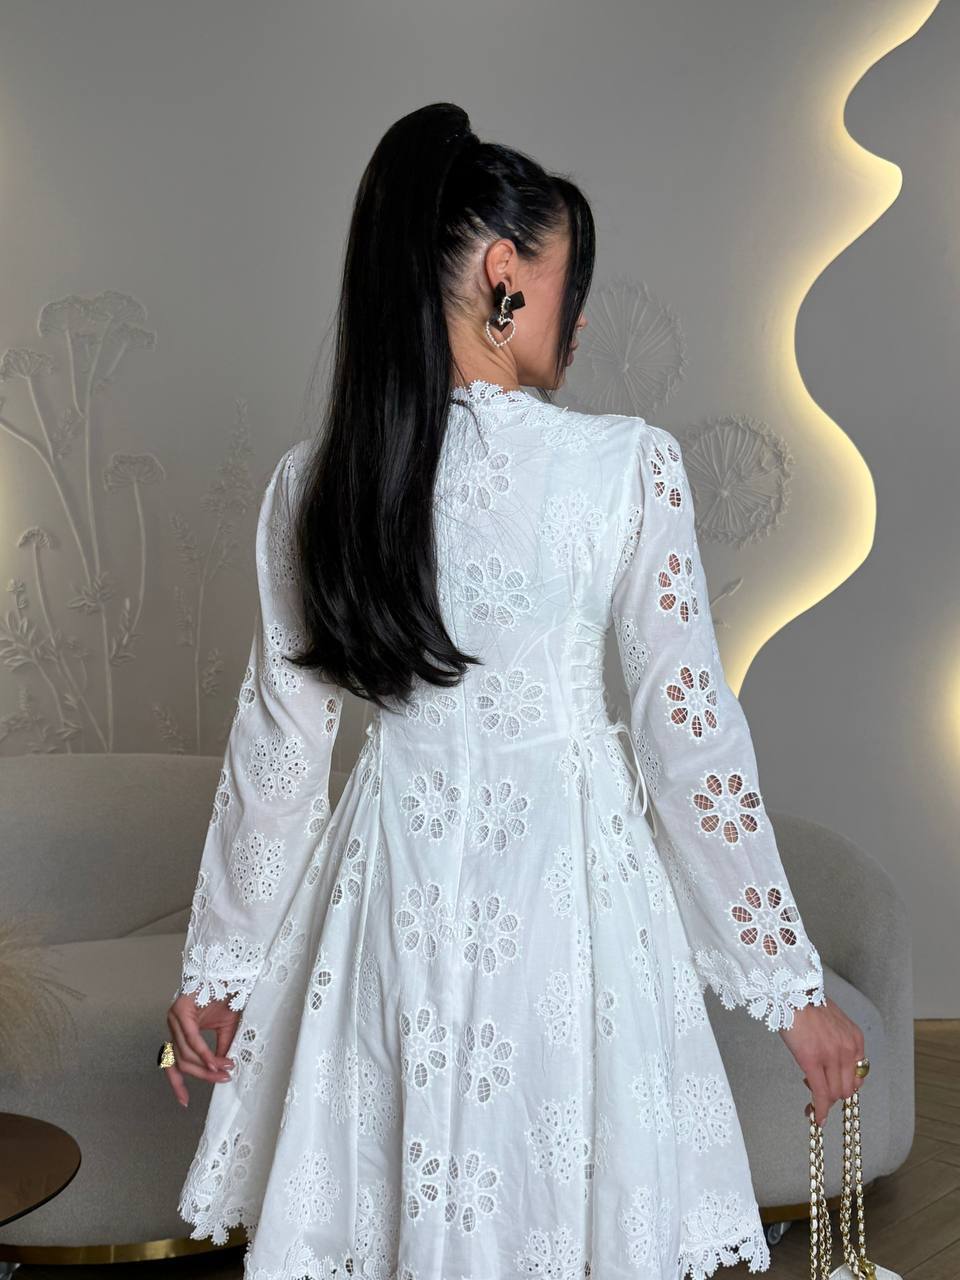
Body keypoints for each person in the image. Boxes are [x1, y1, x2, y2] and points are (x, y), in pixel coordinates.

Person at [159, 101, 866, 1279]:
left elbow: (281, 758)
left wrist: (218, 975)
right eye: (566, 283)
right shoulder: (624, 468)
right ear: (504, 272)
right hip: (574, 908)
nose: (576, 318)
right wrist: (791, 987)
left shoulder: (317, 483)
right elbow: (688, 742)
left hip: (389, 903)